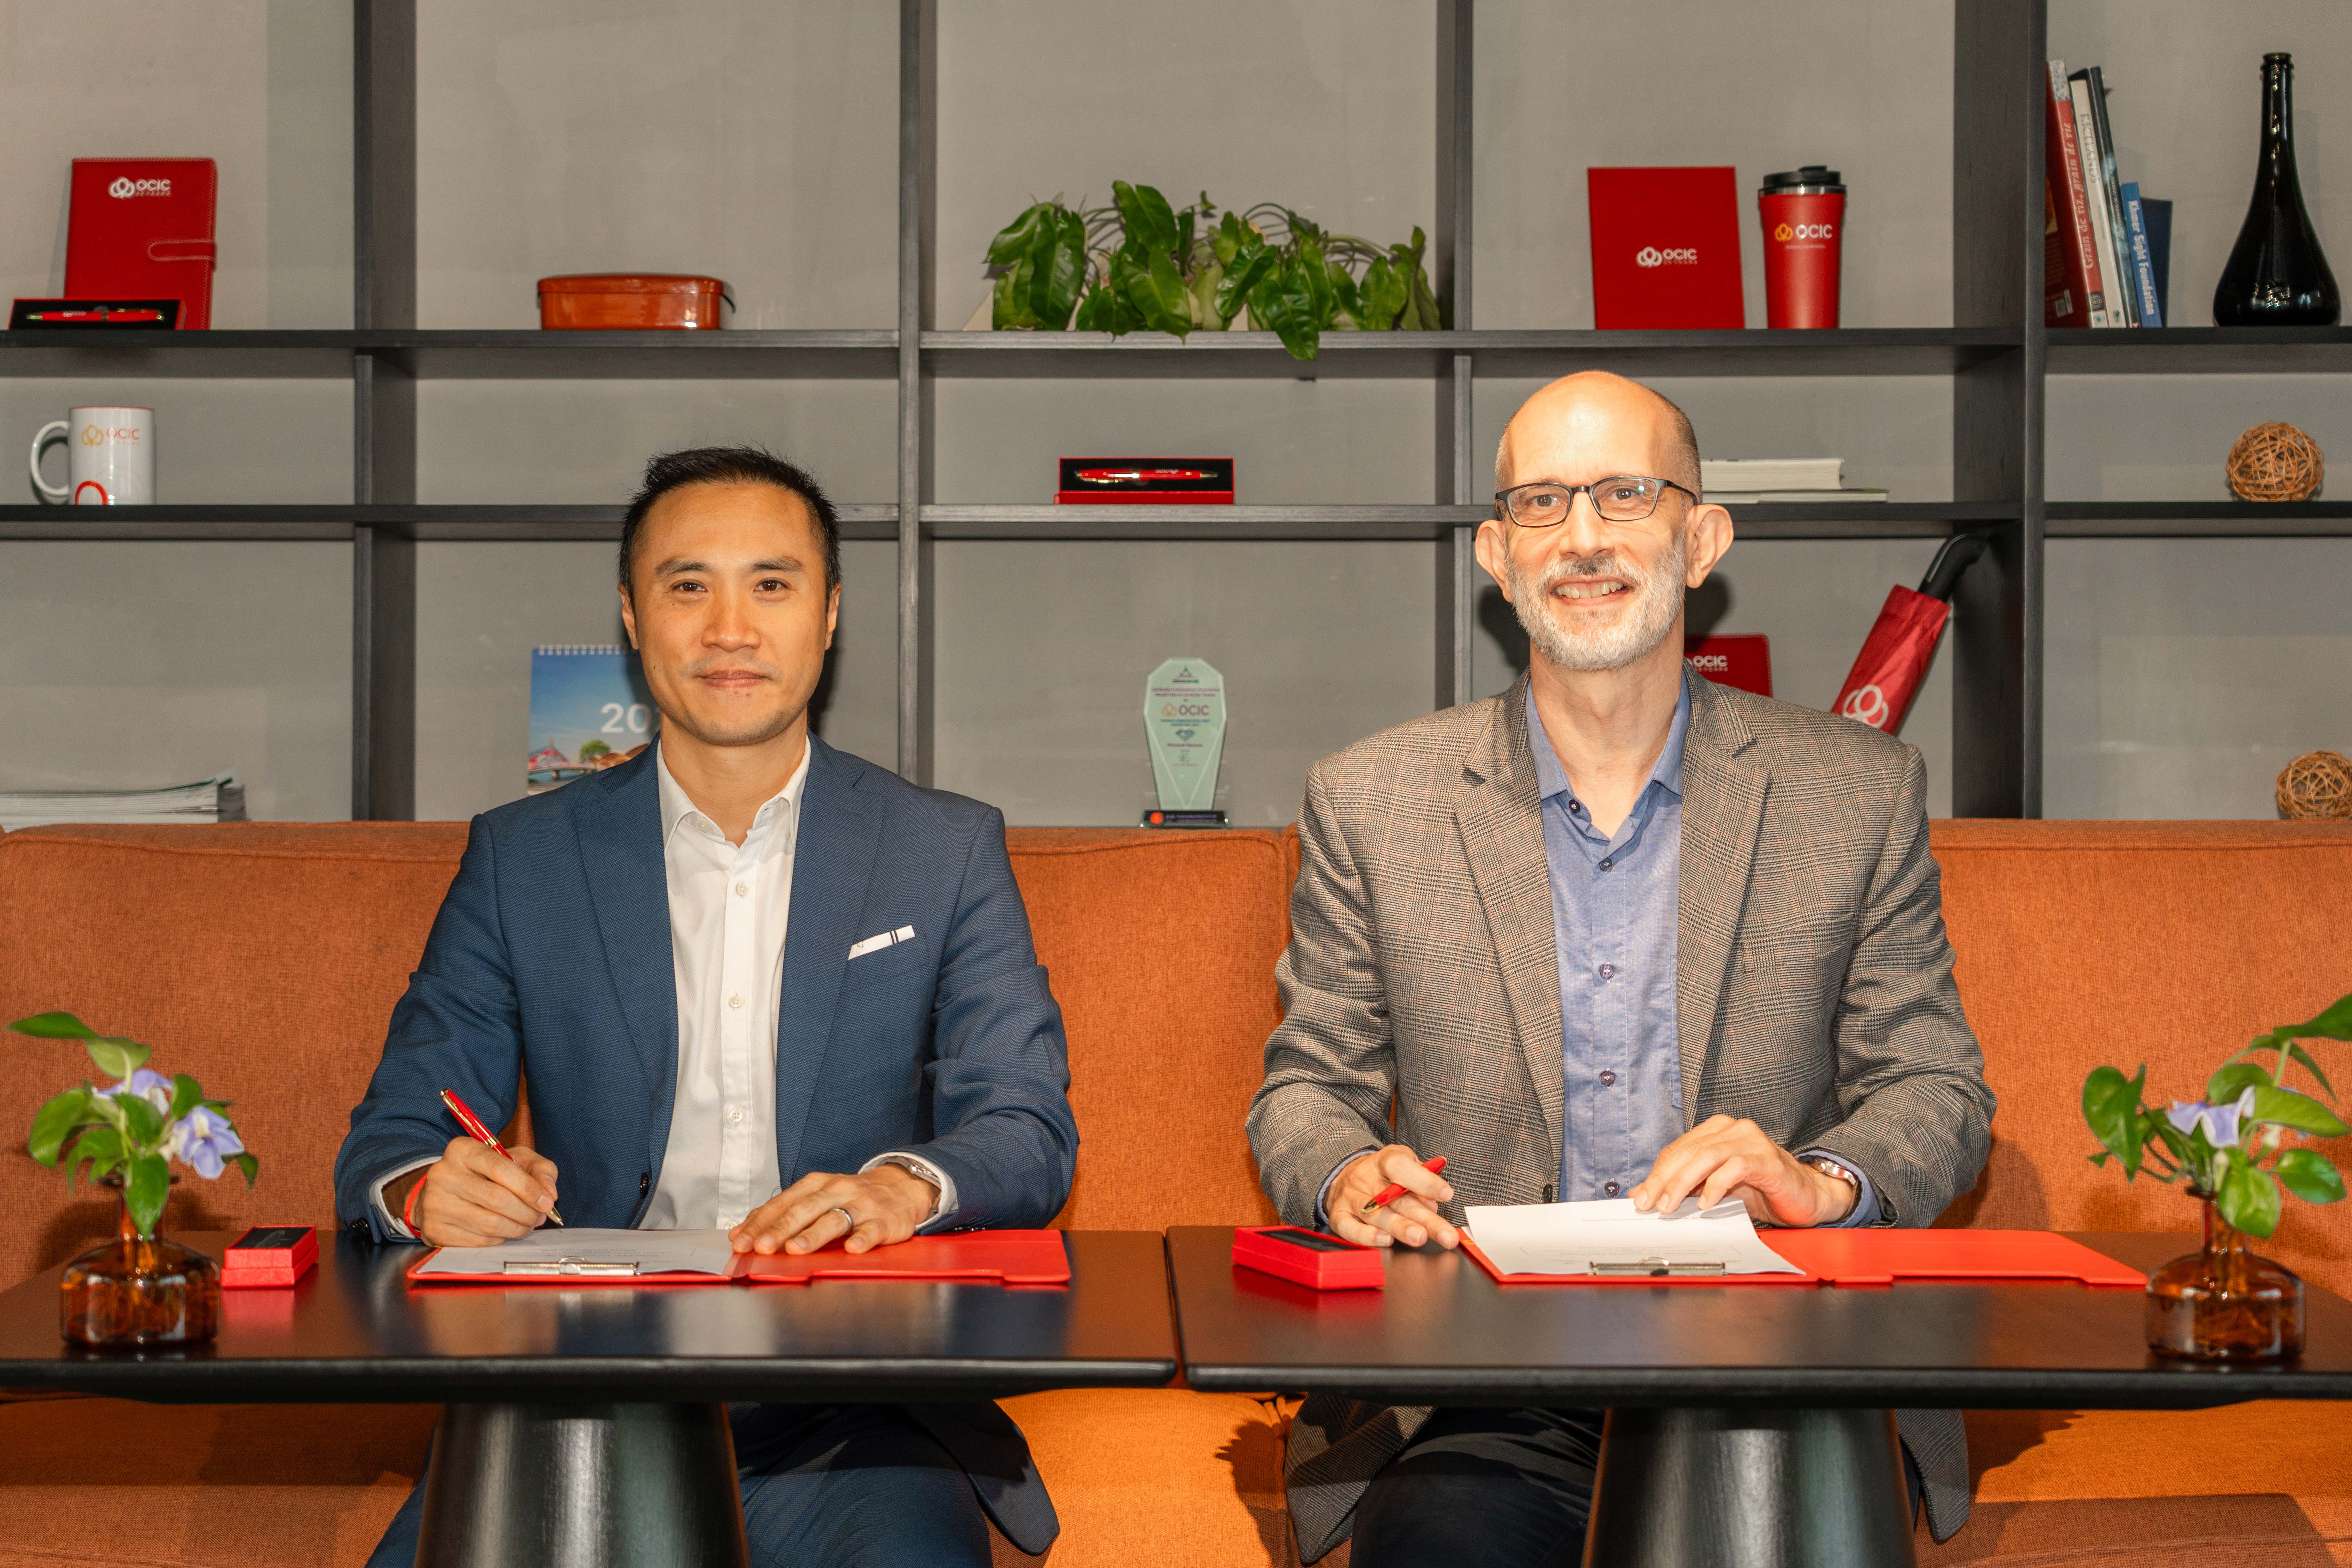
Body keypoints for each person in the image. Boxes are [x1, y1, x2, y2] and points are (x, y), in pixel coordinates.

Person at [1247, 372, 1995, 1566]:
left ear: (1701, 540)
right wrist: (1346, 1172)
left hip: (1774, 1364)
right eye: (1542, 503)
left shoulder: (1856, 791)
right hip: (1484, 1385)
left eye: (1626, 495)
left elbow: (1936, 1088)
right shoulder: (1370, 800)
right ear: (1498, 556)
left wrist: (1817, 1181)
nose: (1583, 537)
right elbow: (1305, 1089)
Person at [334, 447, 1078, 1568]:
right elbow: (392, 1132)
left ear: (830, 614)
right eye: (689, 586)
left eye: (772, 584)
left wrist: (898, 1186)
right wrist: (426, 1185)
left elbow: (1026, 1128)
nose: (731, 628)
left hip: (856, 1405)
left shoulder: (944, 848)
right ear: (634, 617)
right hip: (583, 1389)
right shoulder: (523, 858)